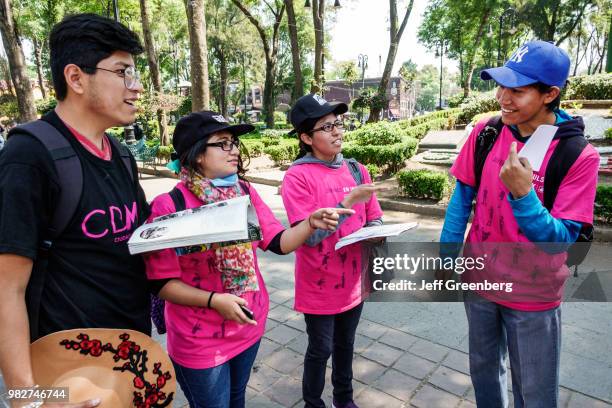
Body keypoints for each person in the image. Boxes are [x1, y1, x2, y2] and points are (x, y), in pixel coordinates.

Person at [143, 110, 354, 408]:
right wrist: (216, 300)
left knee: (236, 399)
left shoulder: (243, 191)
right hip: (199, 339)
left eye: (234, 142)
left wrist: (310, 223)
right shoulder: (170, 205)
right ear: (198, 154)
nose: (234, 150)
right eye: (223, 143)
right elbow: (161, 282)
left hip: (248, 324)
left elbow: (279, 243)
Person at [0, 13, 151, 407]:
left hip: (130, 353)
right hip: (69, 370)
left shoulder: (119, 154)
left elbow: (140, 237)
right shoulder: (29, 155)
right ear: (76, 77)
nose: (135, 87)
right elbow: (6, 288)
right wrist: (25, 396)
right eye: (123, 72)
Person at [439, 41, 600, 407]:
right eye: (501, 87)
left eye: (517, 90)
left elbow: (560, 241)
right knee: (483, 370)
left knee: (534, 389)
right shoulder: (486, 133)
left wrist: (523, 195)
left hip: (533, 294)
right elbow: (462, 197)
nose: (503, 98)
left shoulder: (577, 155)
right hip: (479, 280)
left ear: (550, 94)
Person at [281, 94, 383, 408]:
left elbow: (374, 216)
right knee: (320, 348)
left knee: (346, 345)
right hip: (320, 285)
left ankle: (344, 399)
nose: (338, 131)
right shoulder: (297, 177)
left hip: (354, 280)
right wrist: (347, 203)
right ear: (306, 137)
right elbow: (308, 238)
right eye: (326, 127)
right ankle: (313, 402)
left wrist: (378, 233)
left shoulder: (356, 169)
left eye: (338, 123)